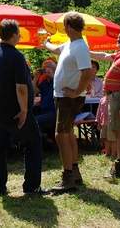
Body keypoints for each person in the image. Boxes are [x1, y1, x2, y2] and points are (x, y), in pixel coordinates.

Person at [0, 19, 46, 196]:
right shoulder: (16, 56)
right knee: (34, 144)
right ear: (13, 35)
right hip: (15, 111)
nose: (20, 35)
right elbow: (21, 87)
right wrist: (24, 111)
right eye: (19, 32)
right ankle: (32, 186)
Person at [43, 11, 94, 192]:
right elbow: (56, 49)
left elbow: (87, 72)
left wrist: (76, 92)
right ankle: (75, 172)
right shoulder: (71, 44)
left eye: (65, 25)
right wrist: (45, 42)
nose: (64, 28)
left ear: (69, 27)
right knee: (68, 133)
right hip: (64, 97)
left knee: (61, 135)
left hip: (68, 99)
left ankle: (68, 177)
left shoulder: (80, 46)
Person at [90, 30, 120, 179]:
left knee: (119, 132)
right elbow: (104, 56)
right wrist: (87, 51)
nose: (118, 39)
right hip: (114, 97)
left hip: (119, 97)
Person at [34, 60, 57, 136]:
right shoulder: (44, 82)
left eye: (48, 67)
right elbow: (33, 92)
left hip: (54, 113)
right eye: (44, 68)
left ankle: (43, 142)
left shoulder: (57, 81)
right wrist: (36, 77)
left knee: (34, 122)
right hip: (43, 111)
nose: (45, 69)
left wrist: (52, 74)